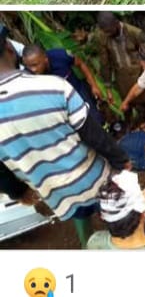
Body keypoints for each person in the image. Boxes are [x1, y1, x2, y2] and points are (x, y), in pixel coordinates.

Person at [0, 25, 130, 245]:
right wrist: (122, 160)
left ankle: (88, 243)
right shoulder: (53, 87)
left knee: (78, 212)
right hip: (93, 177)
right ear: (11, 49)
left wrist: (18, 192)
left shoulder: (56, 70)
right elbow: (94, 135)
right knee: (115, 211)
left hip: (56, 192)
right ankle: (122, 238)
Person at [21, 43, 104, 124]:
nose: (33, 70)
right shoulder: (27, 75)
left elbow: (80, 63)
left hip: (78, 91)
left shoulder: (60, 56)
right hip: (60, 104)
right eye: (28, 66)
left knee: (95, 119)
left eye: (35, 65)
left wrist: (94, 86)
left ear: (45, 59)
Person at [95, 13, 145, 118]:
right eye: (106, 32)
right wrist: (108, 88)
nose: (108, 34)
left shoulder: (134, 33)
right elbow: (105, 63)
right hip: (122, 79)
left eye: (110, 31)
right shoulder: (103, 37)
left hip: (139, 74)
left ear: (116, 24)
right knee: (128, 105)